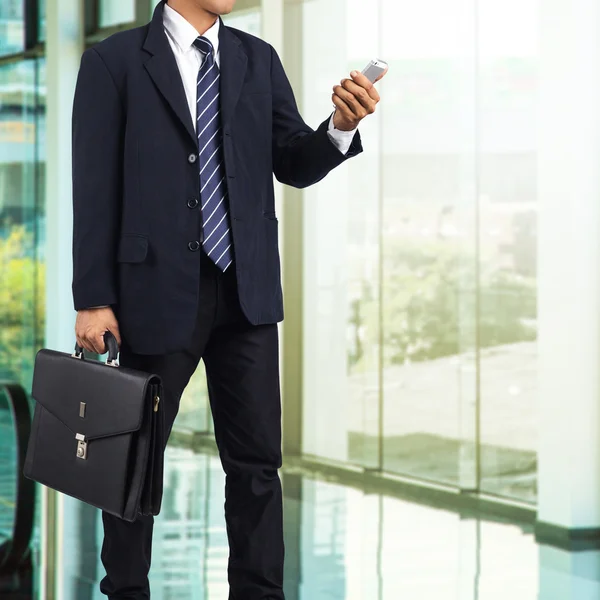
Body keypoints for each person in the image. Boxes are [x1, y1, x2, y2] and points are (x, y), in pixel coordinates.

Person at [72, 0, 386, 598]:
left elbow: (293, 161)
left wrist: (340, 126)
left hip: (246, 292)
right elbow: (92, 187)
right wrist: (93, 297)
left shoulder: (257, 59)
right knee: (134, 462)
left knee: (257, 466)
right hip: (151, 290)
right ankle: (127, 591)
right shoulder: (111, 62)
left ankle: (260, 592)